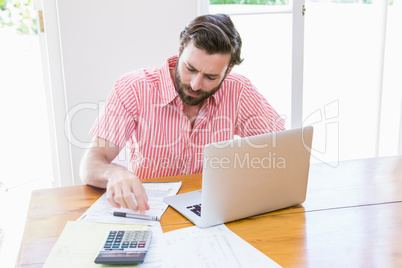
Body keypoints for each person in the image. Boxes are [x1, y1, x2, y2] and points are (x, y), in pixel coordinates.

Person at [80, 13, 285, 215]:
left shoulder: (239, 90)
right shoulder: (133, 88)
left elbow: (280, 151)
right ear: (180, 51)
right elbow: (92, 162)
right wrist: (114, 173)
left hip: (212, 210)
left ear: (227, 71)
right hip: (150, 210)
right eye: (190, 68)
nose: (195, 85)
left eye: (211, 77)